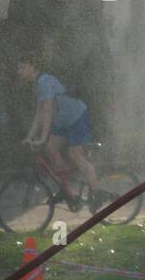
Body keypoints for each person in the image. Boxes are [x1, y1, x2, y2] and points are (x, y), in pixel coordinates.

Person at [17, 55, 104, 207]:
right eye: (19, 68)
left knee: (74, 154)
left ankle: (97, 193)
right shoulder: (37, 84)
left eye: (22, 67)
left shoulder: (44, 81)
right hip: (63, 121)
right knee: (50, 149)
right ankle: (65, 189)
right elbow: (39, 112)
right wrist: (29, 137)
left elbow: (48, 110)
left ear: (33, 66)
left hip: (76, 117)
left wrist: (42, 137)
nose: (19, 71)